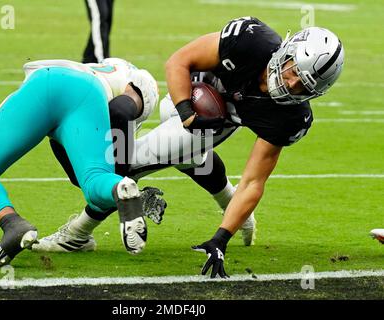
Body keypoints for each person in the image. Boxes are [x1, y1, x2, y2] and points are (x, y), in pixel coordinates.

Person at [165, 17, 344, 278]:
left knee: (167, 151)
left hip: (224, 118)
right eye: (294, 72)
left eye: (304, 85)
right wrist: (187, 114)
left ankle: (82, 231)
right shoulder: (250, 41)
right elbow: (178, 61)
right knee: (179, 148)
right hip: (194, 95)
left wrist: (220, 239)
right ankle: (230, 202)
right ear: (288, 52)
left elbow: (253, 181)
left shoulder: (291, 117)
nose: (292, 85)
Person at [0, 57, 159, 267]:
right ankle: (119, 187)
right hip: (87, 94)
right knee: (96, 177)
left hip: (49, 82)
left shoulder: (107, 69)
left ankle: (12, 224)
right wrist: (120, 177)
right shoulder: (140, 81)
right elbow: (121, 110)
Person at [31, 86, 257, 254]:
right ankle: (237, 206)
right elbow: (180, 60)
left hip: (161, 99)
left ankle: (77, 234)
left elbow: (119, 114)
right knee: (192, 159)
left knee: (125, 170)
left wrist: (121, 188)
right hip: (180, 97)